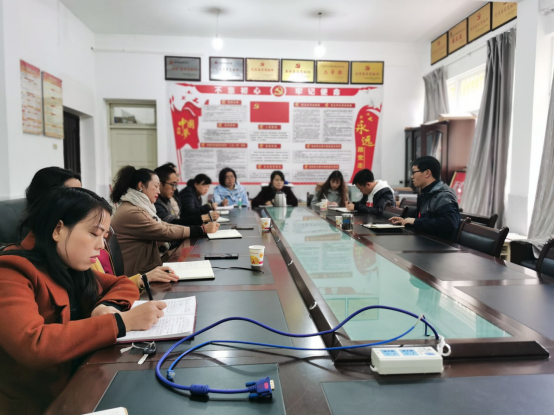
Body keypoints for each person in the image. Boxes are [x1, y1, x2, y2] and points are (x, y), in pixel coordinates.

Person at [0, 186, 168, 414]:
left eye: (104, 236)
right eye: (94, 233)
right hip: (42, 405)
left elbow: (122, 284)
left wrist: (107, 306)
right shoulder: (10, 271)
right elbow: (34, 345)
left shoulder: (67, 264)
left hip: (84, 382)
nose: (101, 245)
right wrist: (121, 322)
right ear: (58, 229)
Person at [25, 167, 177, 288]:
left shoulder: (77, 252)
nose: (101, 245)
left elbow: (103, 287)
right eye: (73, 194)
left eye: (82, 192)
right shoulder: (25, 267)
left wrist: (141, 280)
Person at [111, 166, 219, 276]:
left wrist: (198, 229)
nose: (158, 191)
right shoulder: (132, 211)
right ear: (141, 185)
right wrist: (200, 230)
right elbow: (163, 231)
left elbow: (164, 224)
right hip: (137, 275)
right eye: (156, 186)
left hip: (146, 266)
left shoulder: (138, 206)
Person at [389, 156, 460, 241]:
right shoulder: (426, 193)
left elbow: (450, 224)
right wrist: (406, 221)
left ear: (427, 173)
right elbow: (425, 221)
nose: (412, 176)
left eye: (414, 172)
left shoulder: (444, 195)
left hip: (439, 245)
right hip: (425, 240)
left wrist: (415, 221)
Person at [154, 165, 220, 225]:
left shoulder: (167, 198)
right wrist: (204, 217)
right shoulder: (156, 202)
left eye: (208, 187)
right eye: (172, 184)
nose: (174, 189)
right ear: (160, 184)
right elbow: (172, 223)